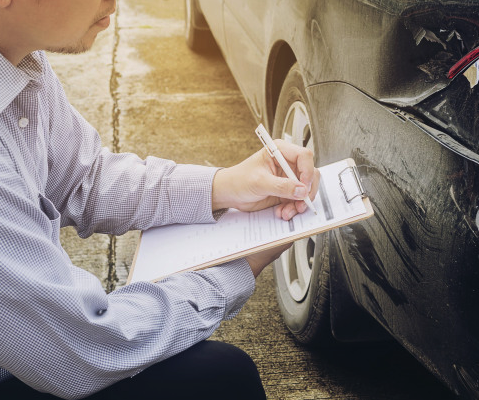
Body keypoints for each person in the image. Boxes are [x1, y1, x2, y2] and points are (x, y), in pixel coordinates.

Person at [0, 0, 319, 398]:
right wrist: (235, 268)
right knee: (221, 378)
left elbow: (84, 179)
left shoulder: (20, 62)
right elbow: (84, 348)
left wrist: (224, 186)